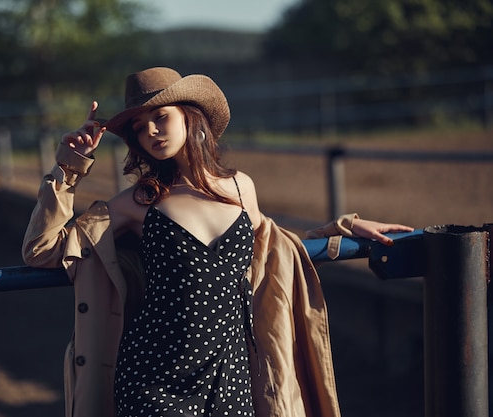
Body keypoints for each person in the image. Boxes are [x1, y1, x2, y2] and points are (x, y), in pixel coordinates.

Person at [22, 67, 413, 417]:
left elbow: (276, 249)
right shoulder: (138, 203)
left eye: (160, 117)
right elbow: (43, 250)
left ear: (191, 117)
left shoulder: (243, 188)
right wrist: (69, 166)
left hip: (231, 376)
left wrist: (344, 229)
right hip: (154, 381)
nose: (151, 131)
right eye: (140, 127)